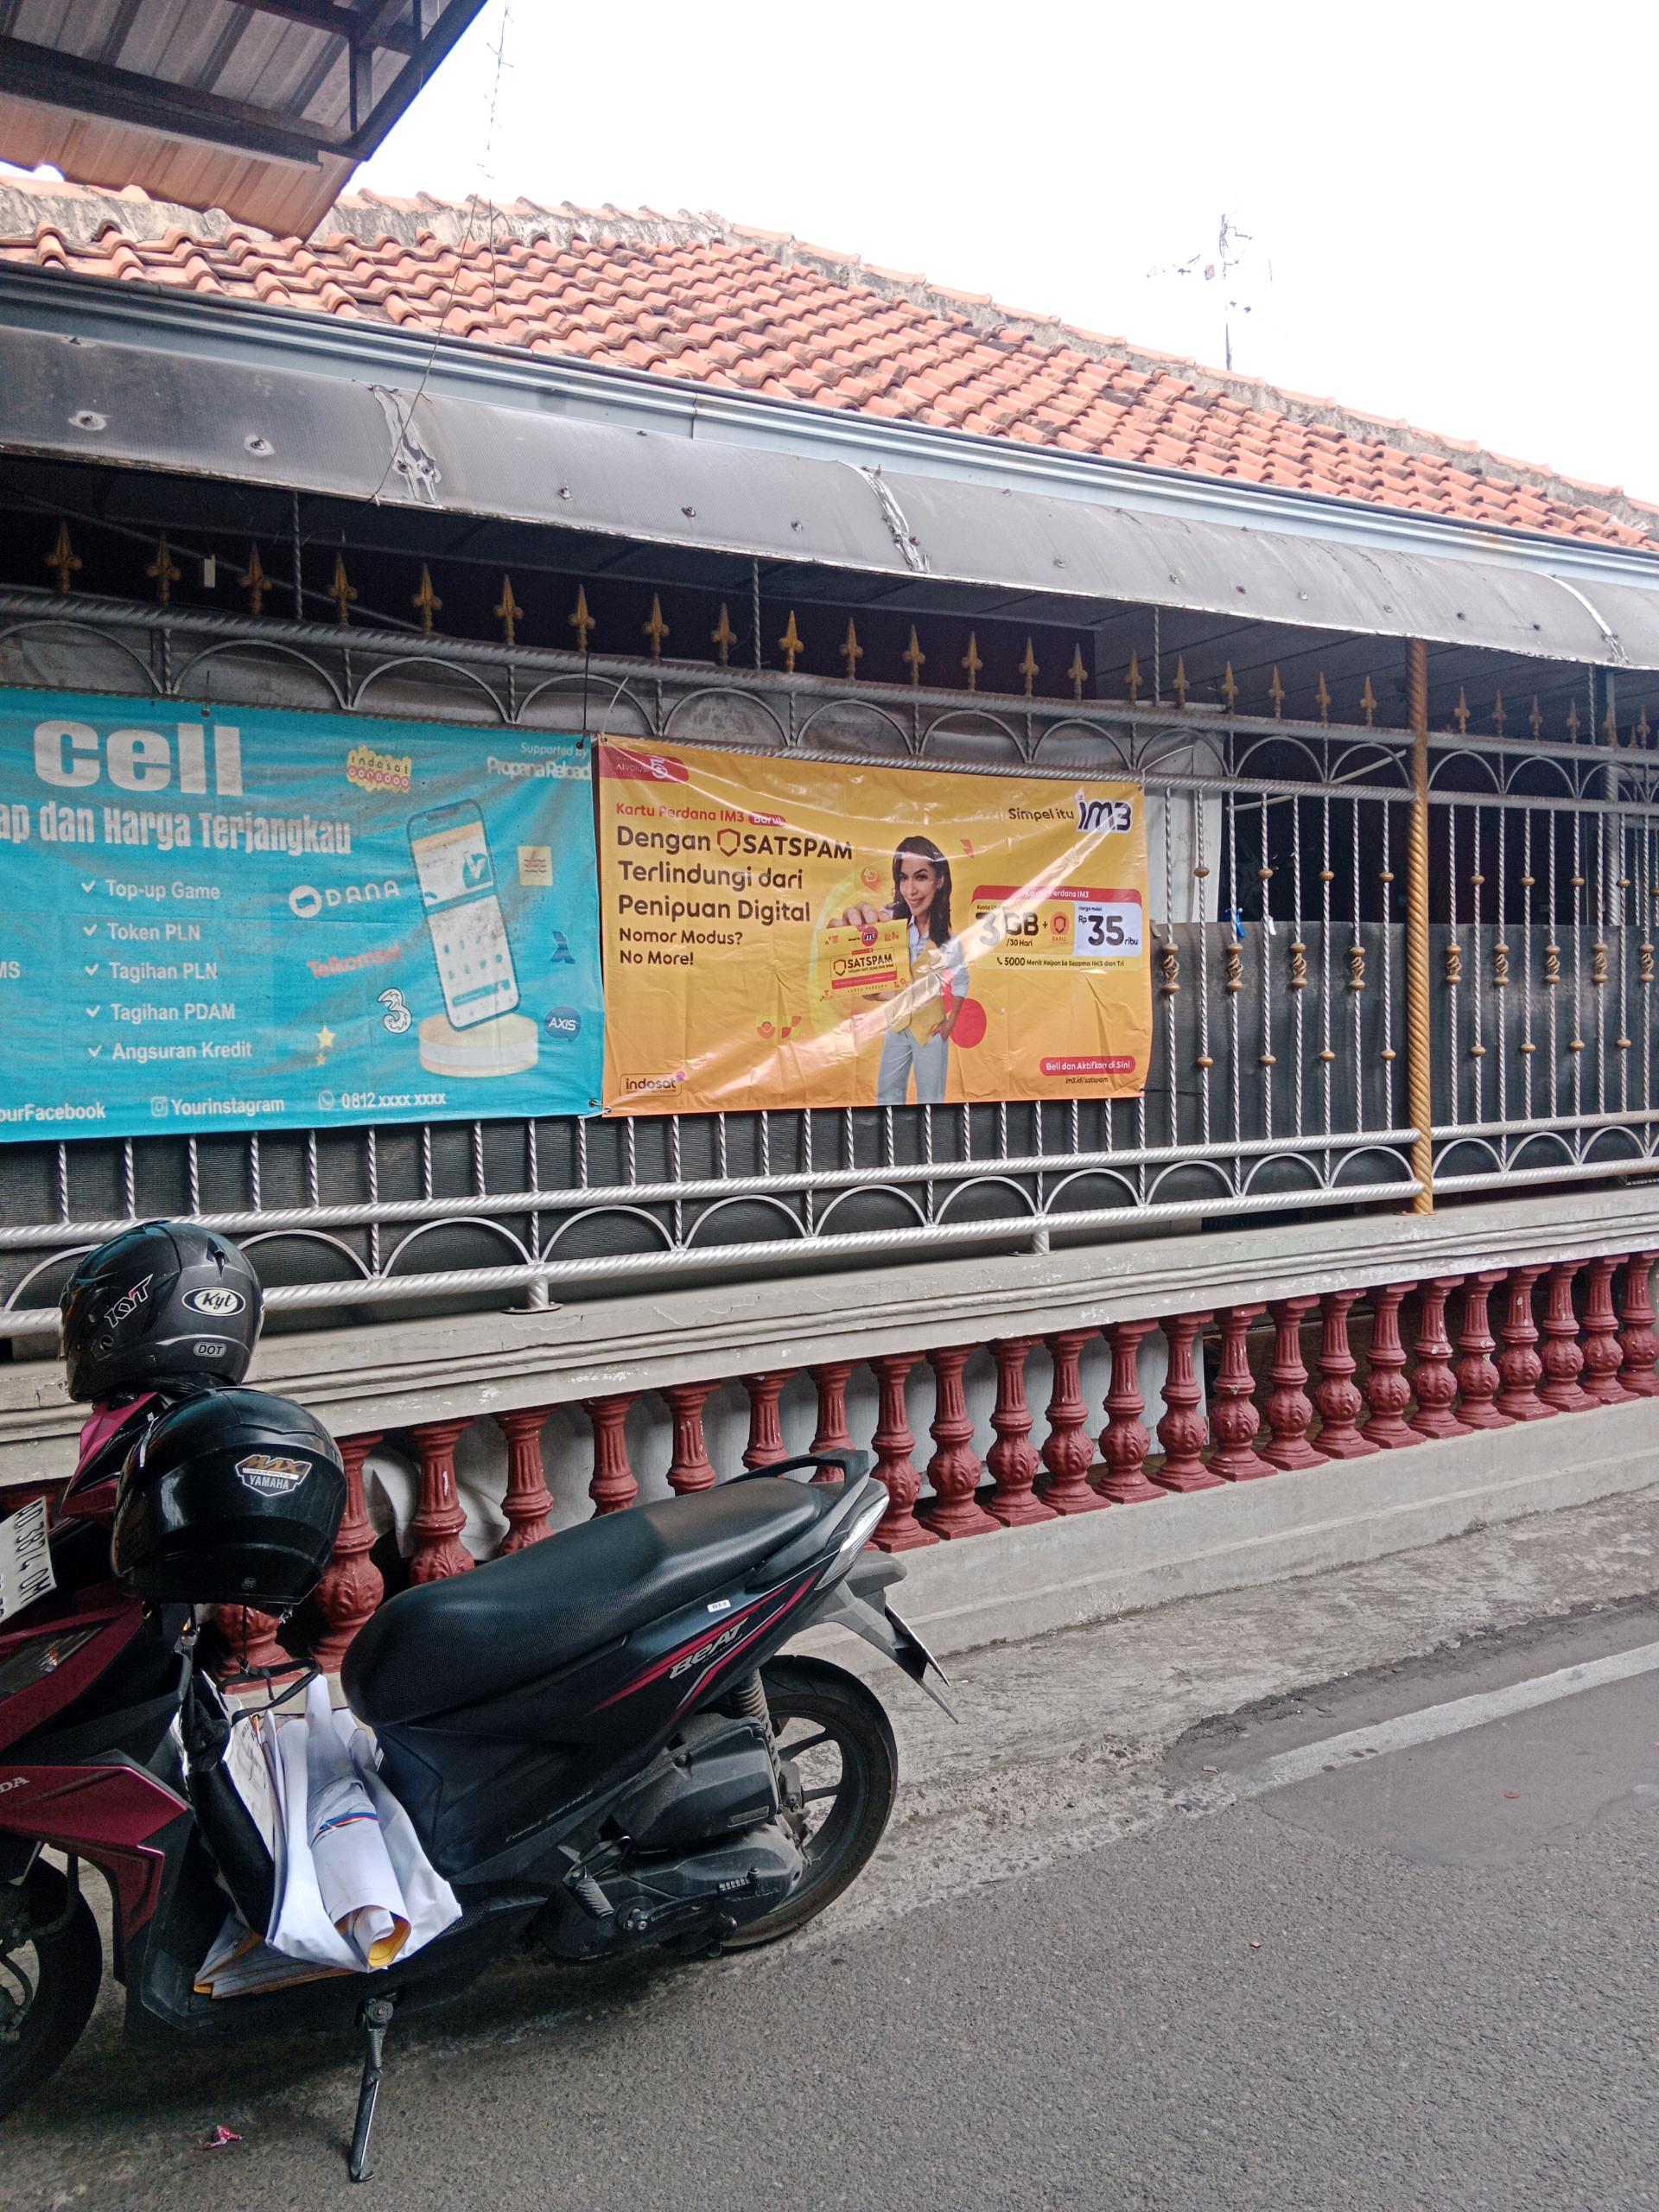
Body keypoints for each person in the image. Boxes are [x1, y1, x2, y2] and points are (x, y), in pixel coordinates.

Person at [842, 835, 968, 1106]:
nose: (910, 890)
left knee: (931, 1099)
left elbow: (961, 980)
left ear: (939, 880)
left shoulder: (946, 939)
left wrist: (951, 1021)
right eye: (903, 878)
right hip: (898, 1025)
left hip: (930, 1029)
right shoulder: (891, 922)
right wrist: (850, 937)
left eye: (921, 877)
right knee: (887, 1097)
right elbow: (870, 971)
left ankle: (930, 1136)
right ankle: (891, 1136)